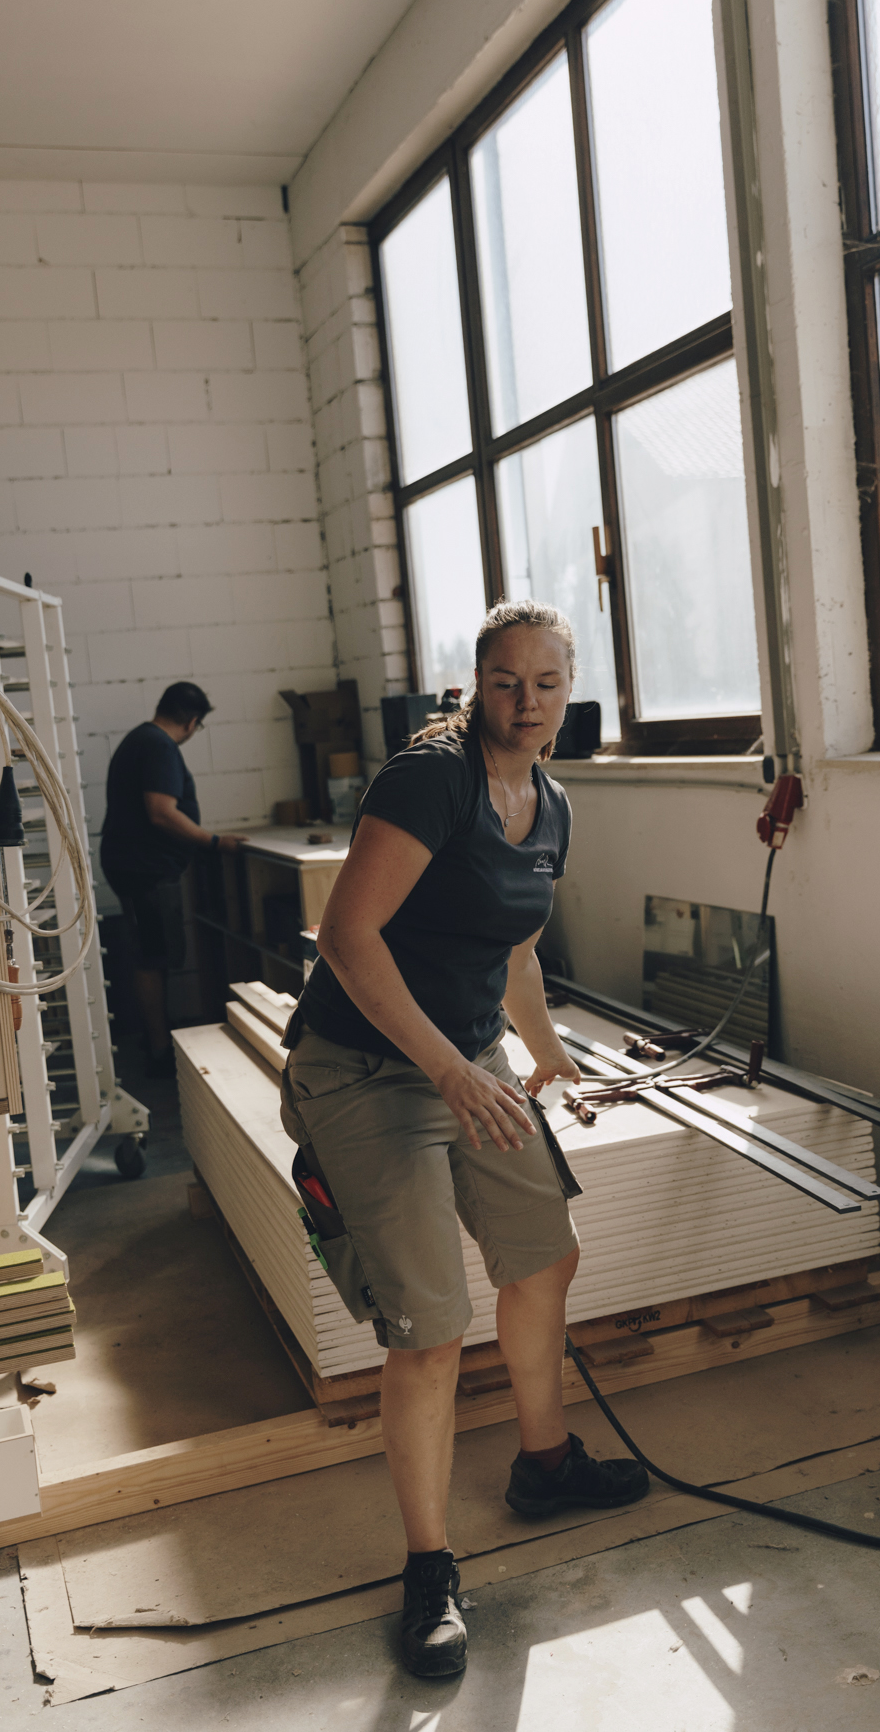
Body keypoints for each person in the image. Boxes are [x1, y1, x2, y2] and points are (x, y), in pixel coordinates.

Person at [279, 600, 648, 1679]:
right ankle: (430, 1568)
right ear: (471, 684)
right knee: (430, 1326)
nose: (525, 704)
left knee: (543, 1253)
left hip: (466, 1054)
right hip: (364, 1066)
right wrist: (449, 1069)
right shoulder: (426, 780)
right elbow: (347, 937)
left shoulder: (553, 804)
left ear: (566, 692)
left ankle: (544, 1463)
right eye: (504, 683)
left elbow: (516, 956)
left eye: (545, 685)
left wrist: (546, 1051)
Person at [100, 681, 246, 1076]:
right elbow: (162, 812)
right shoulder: (159, 746)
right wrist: (215, 842)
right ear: (193, 722)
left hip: (133, 865)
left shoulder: (140, 740)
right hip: (144, 870)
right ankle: (161, 1051)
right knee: (153, 955)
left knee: (153, 952)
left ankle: (157, 1040)